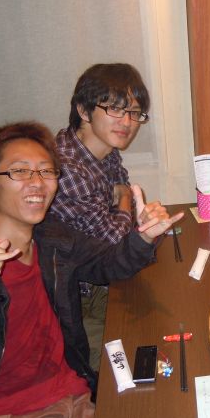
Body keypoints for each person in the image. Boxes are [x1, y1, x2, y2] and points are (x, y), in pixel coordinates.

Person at [0, 122, 182, 418]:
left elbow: (106, 263)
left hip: (71, 394)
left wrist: (144, 236)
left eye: (46, 171)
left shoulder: (49, 235)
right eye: (20, 171)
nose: (37, 182)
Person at [50, 63, 150, 372]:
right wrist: (124, 199)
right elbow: (114, 241)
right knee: (141, 347)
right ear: (83, 110)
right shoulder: (66, 168)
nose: (127, 122)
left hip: (98, 276)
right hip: (76, 300)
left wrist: (123, 202)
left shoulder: (104, 148)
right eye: (115, 109)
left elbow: (123, 206)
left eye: (134, 113)